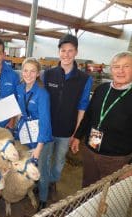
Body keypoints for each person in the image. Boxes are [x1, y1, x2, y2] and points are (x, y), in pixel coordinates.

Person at [71, 51, 132, 187]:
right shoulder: (102, 89)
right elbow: (89, 116)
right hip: (90, 151)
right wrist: (77, 136)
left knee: (109, 195)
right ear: (111, 70)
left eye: (126, 66)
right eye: (116, 67)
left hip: (117, 159)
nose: (120, 71)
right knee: (87, 187)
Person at [43, 34, 93, 192]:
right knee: (46, 158)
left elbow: (82, 107)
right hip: (48, 129)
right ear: (59, 52)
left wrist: (76, 133)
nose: (66, 54)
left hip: (66, 131)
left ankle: (53, 181)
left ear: (76, 52)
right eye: (63, 50)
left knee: (59, 160)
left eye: (70, 50)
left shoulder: (84, 79)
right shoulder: (48, 74)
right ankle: (43, 182)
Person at [15, 57, 52, 211]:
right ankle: (30, 188)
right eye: (25, 70)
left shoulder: (42, 94)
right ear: (21, 71)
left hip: (41, 137)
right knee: (26, 163)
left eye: (32, 71)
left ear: (38, 74)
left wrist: (38, 148)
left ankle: (43, 199)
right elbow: (19, 111)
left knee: (41, 169)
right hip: (26, 132)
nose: (28, 74)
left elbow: (45, 121)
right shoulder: (19, 89)